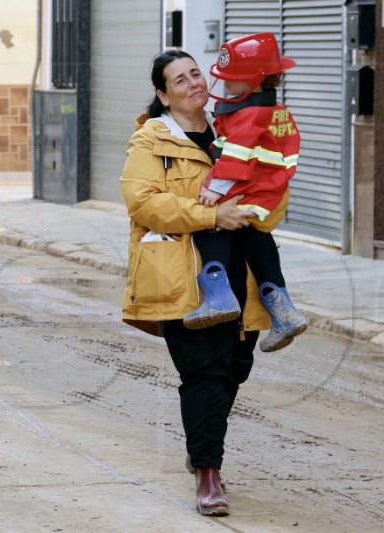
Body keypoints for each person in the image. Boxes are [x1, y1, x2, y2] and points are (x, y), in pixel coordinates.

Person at [119, 50, 289, 517]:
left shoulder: (235, 127)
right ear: (162, 94)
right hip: (182, 275)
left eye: (196, 73)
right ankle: (208, 475)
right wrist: (213, 214)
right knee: (205, 373)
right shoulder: (149, 142)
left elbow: (270, 191)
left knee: (235, 367)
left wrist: (262, 207)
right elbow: (144, 203)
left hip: (241, 276)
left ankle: (201, 446)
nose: (193, 83)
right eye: (180, 79)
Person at [183, 32, 307, 354]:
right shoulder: (276, 111)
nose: (225, 83)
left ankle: (217, 296)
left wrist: (214, 189)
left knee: (213, 222)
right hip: (268, 189)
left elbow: (236, 156)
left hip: (245, 186)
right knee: (255, 236)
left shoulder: (249, 115)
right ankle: (284, 311)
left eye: (232, 78)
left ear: (255, 81)